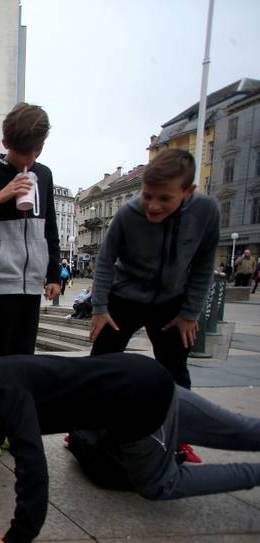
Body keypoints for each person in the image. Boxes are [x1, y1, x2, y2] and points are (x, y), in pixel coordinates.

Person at [0, 350, 260, 543]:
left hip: (143, 407)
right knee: (240, 431)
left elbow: (32, 466)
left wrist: (18, 538)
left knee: (158, 485)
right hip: (145, 375)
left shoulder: (6, 394)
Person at [0, 102, 61, 451]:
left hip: (30, 283)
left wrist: (53, 273)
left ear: (43, 146)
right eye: (21, 152)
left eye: (34, 152)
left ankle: (15, 424)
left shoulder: (43, 176)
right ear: (5, 142)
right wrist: (1, 197)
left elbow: (50, 228)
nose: (27, 160)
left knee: (24, 361)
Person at [89, 150, 219, 392]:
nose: (153, 206)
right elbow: (105, 261)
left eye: (165, 198)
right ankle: (84, 429)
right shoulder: (128, 213)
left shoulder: (206, 211)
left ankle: (178, 426)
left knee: (176, 372)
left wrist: (190, 313)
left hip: (171, 302)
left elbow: (203, 265)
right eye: (147, 196)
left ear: (188, 192)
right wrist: (100, 309)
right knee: (98, 367)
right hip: (124, 297)